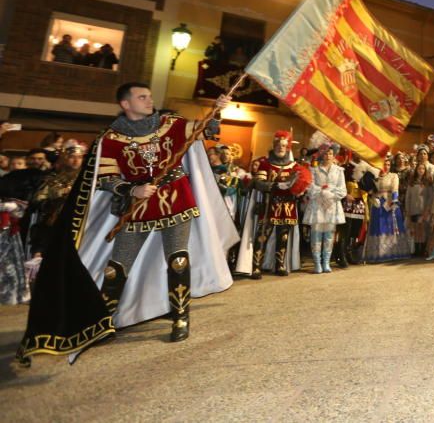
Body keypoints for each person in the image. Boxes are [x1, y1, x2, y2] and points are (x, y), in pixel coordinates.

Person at [17, 82, 237, 362]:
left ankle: (180, 317)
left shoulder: (171, 124)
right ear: (125, 104)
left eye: (149, 96)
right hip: (137, 207)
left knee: (178, 259)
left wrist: (216, 112)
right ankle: (104, 321)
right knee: (117, 266)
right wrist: (132, 190)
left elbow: (205, 128)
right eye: (141, 97)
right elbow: (107, 178)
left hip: (175, 199)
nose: (149, 100)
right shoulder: (110, 139)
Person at [246, 131, 312, 278]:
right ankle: (256, 266)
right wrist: (274, 186)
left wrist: (298, 189)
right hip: (270, 204)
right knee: (262, 235)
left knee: (283, 237)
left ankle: (280, 265)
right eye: (278, 145)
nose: (281, 148)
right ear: (274, 146)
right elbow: (258, 183)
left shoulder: (295, 166)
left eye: (284, 145)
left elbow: (300, 186)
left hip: (288, 207)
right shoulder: (265, 162)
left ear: (288, 147)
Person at [303, 145, 346, 273]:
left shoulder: (339, 171)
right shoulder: (314, 170)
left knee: (329, 235)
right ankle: (317, 263)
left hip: (332, 206)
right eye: (326, 153)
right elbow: (310, 187)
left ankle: (326, 262)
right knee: (316, 234)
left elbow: (343, 190)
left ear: (334, 156)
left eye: (330, 153)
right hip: (317, 205)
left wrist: (331, 194)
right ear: (321, 154)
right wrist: (321, 192)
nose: (328, 156)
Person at [364, 165, 408, 263]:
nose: (385, 167)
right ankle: (378, 253)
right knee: (379, 226)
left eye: (388, 164)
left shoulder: (393, 176)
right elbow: (371, 190)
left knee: (391, 226)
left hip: (389, 202)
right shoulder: (374, 176)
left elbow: (395, 189)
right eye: (383, 165)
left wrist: (394, 201)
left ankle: (393, 252)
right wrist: (372, 197)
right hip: (377, 204)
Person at [405, 161, 433, 257]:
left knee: (424, 230)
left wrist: (427, 209)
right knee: (416, 230)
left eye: (423, 169)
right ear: (416, 170)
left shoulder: (428, 182)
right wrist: (407, 210)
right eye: (419, 168)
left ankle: (424, 249)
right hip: (414, 210)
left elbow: (430, 197)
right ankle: (417, 250)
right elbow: (408, 197)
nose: (421, 170)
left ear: (425, 170)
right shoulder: (412, 183)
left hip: (424, 210)